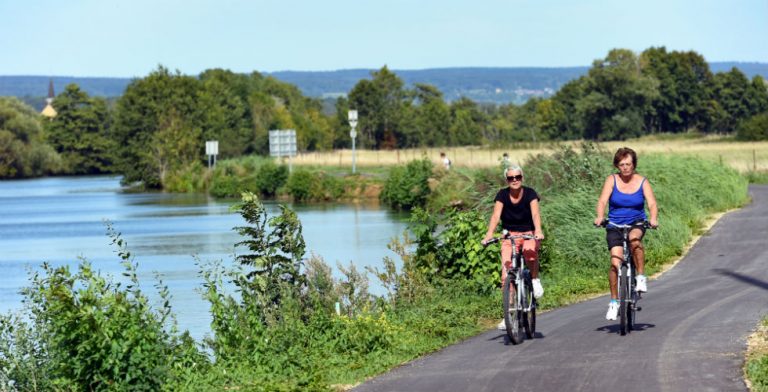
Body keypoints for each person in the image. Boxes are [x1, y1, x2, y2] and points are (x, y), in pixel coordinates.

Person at [594, 147, 658, 321]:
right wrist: (600, 216)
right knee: (615, 262)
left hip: (636, 223)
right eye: (621, 164)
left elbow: (652, 203)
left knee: (634, 240)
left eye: (628, 164)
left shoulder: (642, 181)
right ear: (617, 165)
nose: (625, 168)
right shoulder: (612, 180)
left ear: (633, 164)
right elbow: (602, 201)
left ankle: (640, 276)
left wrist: (653, 218)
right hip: (614, 224)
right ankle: (614, 302)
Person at [482, 165, 545, 330]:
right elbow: (496, 215)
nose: (515, 180)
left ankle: (535, 279)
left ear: (522, 178)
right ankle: (508, 315)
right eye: (511, 178)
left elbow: (535, 214)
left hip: (529, 232)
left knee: (530, 253)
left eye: (517, 177)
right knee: (506, 274)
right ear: (507, 180)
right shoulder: (502, 195)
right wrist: (489, 234)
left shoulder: (530, 193)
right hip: (509, 235)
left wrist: (538, 230)